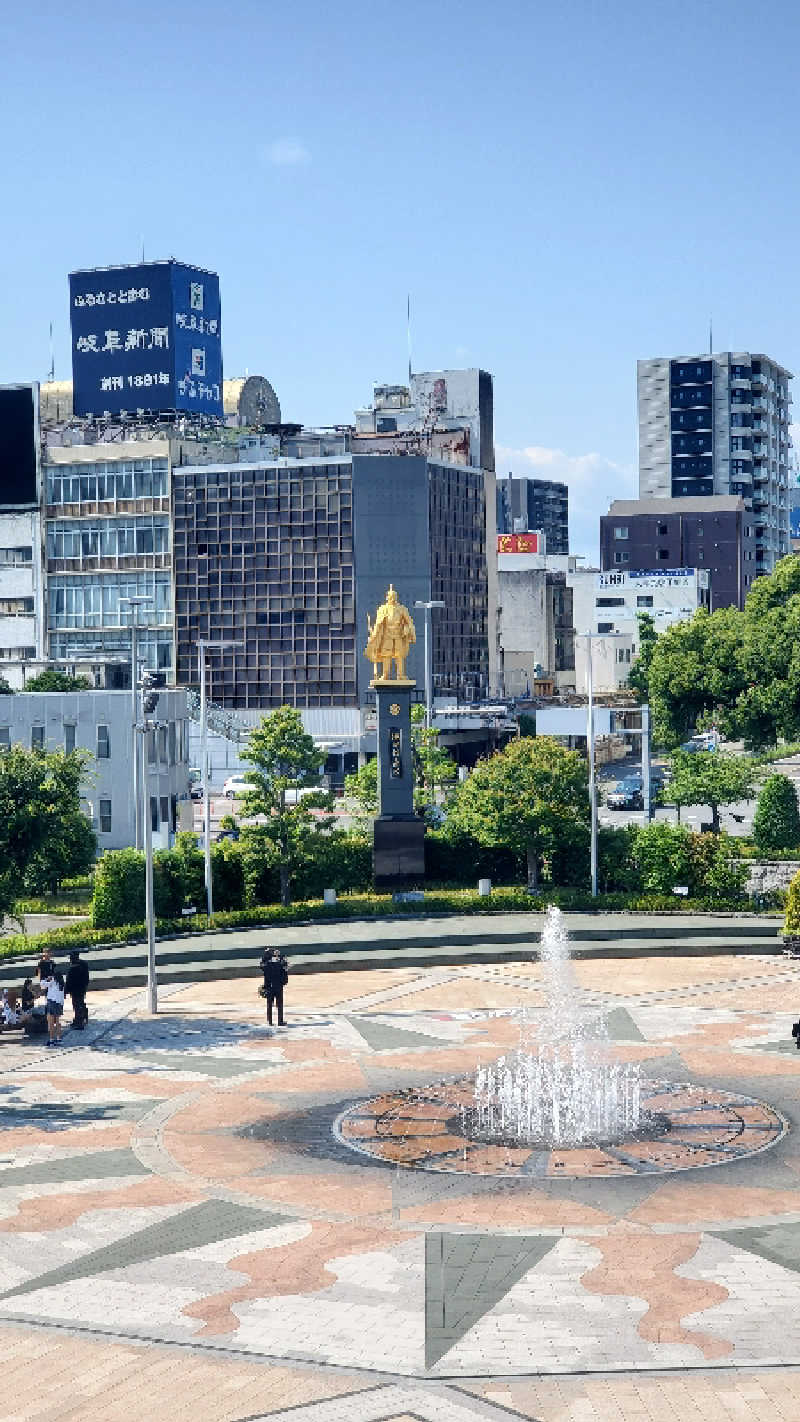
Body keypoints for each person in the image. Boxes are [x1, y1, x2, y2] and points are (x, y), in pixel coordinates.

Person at [259, 947, 288, 1027]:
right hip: (278, 986)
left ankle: (270, 1021)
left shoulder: (266, 965)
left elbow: (261, 964)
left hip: (269, 986)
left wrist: (267, 953)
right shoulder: (280, 964)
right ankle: (280, 1021)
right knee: (280, 1005)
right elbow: (285, 969)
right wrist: (280, 956)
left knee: (269, 1004)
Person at [65, 951, 90, 1029]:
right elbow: (87, 978)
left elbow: (69, 981)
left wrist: (65, 991)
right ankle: (82, 1017)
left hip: (75, 990)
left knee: (77, 1005)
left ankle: (79, 1023)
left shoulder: (72, 968)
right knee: (81, 1003)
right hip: (82, 988)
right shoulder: (84, 964)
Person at [43, 969, 66, 1047]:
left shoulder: (52, 982)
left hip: (52, 1003)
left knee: (51, 1023)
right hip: (59, 1004)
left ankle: (51, 1040)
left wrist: (47, 979)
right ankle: (59, 1039)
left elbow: (42, 984)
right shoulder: (62, 984)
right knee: (58, 1022)